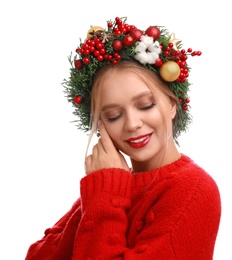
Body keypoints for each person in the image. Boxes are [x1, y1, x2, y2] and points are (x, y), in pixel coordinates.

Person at [25, 16, 221, 260]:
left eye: (146, 105)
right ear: (101, 126)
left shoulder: (194, 189)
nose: (132, 124)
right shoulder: (113, 184)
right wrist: (103, 187)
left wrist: (105, 191)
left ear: (172, 105)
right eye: (114, 116)